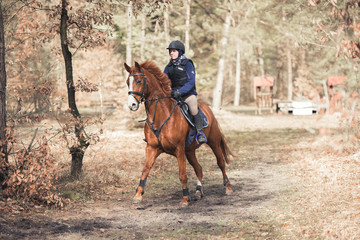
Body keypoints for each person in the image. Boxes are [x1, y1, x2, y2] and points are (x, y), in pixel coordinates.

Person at [163, 40, 207, 145]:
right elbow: (163, 80)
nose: (171, 53)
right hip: (173, 95)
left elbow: (191, 82)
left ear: (180, 52)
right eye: (170, 51)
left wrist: (180, 91)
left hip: (187, 94)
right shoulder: (169, 67)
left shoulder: (187, 64)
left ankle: (200, 133)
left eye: (174, 51)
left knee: (193, 107)